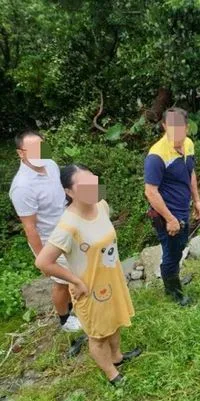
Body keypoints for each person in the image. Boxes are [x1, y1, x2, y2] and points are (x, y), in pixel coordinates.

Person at [35, 164, 140, 385]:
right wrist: (74, 280)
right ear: (69, 192)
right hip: (90, 287)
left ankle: (118, 357)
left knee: (113, 320)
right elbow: (43, 262)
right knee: (98, 334)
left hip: (111, 278)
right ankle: (113, 375)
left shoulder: (101, 204)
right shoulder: (68, 225)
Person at [9, 131, 81, 332]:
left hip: (70, 228)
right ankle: (65, 320)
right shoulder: (22, 187)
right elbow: (29, 228)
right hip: (51, 240)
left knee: (79, 272)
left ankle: (79, 309)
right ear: (21, 153)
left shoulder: (50, 164)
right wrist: (43, 259)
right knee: (63, 281)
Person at [144, 108, 200, 306]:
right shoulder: (156, 156)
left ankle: (174, 279)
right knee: (171, 253)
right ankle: (174, 293)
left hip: (183, 207)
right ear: (164, 126)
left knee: (179, 246)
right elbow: (151, 192)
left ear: (187, 127)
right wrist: (170, 219)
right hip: (166, 214)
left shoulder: (188, 144)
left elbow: (191, 173)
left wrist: (196, 200)